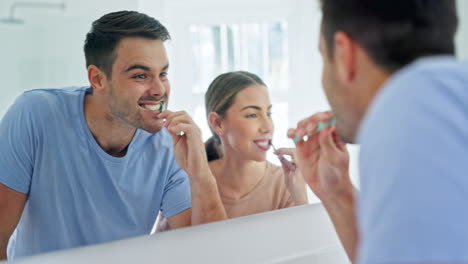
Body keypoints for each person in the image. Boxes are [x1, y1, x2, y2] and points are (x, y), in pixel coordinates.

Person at [0, 10, 226, 260]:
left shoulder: (169, 144)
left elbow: (210, 254)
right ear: (97, 79)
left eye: (162, 74)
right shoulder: (35, 115)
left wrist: (201, 175)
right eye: (141, 75)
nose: (159, 89)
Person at [288, 0, 466, 263]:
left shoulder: (407, 111)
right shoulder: (446, 102)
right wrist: (338, 194)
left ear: (342, 54)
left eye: (322, 58)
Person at [156, 71, 307, 229]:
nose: (268, 126)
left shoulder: (285, 182)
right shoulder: (185, 180)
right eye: (252, 115)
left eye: (268, 113)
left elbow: (304, 248)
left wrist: (301, 198)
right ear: (218, 123)